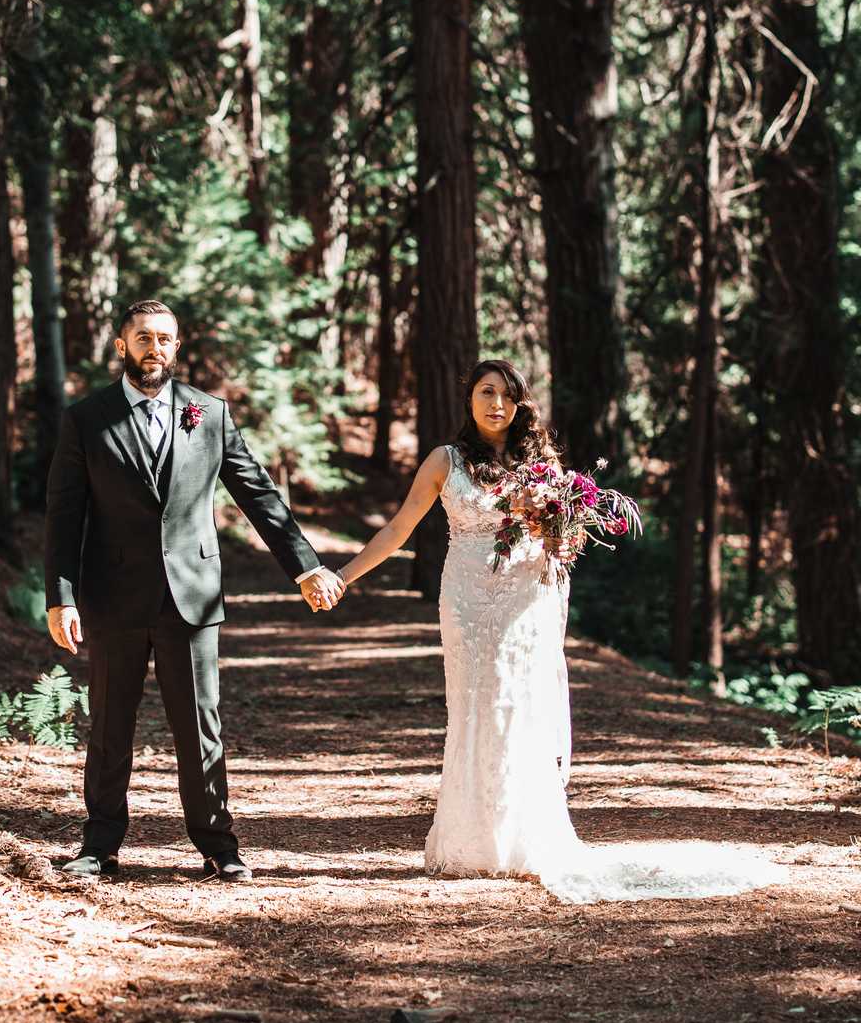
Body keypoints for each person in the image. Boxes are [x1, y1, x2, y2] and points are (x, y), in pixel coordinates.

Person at [334, 359, 780, 902]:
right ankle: (470, 841)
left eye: (507, 395)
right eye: (485, 392)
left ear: (521, 405)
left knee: (520, 704)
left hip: (528, 600)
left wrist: (561, 539)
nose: (496, 403)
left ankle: (523, 837)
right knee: (474, 703)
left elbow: (563, 537)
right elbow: (401, 528)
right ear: (469, 399)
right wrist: (343, 576)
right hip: (468, 602)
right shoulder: (443, 461)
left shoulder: (540, 463)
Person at [44, 299, 347, 883]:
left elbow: (257, 493)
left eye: (164, 338)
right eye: (142, 337)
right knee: (110, 725)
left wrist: (305, 567)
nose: (153, 347)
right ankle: (99, 844)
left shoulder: (209, 413)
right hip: (114, 595)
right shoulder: (86, 418)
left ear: (176, 347)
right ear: (121, 345)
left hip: (192, 595)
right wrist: (63, 595)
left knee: (200, 725)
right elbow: (64, 515)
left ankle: (217, 843)